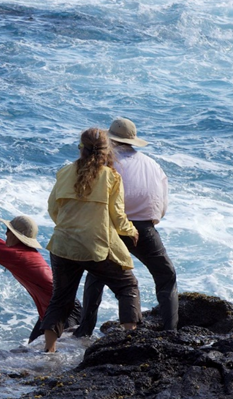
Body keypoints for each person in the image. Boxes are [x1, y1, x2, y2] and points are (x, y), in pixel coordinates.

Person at [40, 127, 141, 353]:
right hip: (94, 246)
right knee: (127, 285)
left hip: (62, 244)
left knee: (60, 299)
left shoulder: (65, 171)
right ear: (107, 151)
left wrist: (69, 225)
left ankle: (49, 351)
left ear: (81, 149)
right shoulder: (111, 177)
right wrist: (131, 231)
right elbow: (117, 216)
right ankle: (130, 341)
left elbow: (52, 209)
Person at [76, 117, 178, 335]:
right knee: (165, 276)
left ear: (110, 140)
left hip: (110, 227)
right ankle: (171, 330)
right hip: (144, 229)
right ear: (132, 141)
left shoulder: (103, 163)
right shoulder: (152, 164)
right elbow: (161, 206)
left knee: (97, 276)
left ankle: (84, 330)